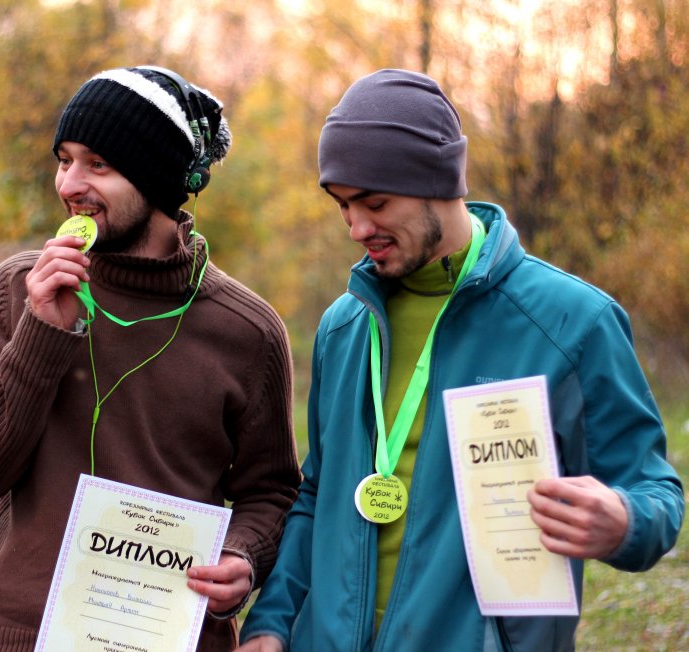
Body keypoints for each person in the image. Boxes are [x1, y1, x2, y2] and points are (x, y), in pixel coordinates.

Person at [237, 69, 684, 651]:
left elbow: (656, 494)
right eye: (343, 206)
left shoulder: (572, 322)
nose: (357, 228)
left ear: (438, 181)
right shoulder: (343, 327)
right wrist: (271, 623)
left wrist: (623, 520)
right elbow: (317, 496)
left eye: (374, 202)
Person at [0, 65, 301, 652]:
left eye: (97, 165)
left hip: (170, 637)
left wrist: (243, 556)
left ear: (156, 181)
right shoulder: (20, 288)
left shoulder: (247, 331)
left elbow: (273, 492)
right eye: (64, 159)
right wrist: (42, 333)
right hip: (24, 638)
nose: (69, 184)